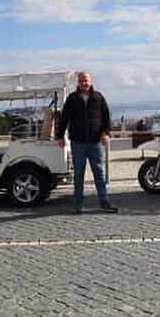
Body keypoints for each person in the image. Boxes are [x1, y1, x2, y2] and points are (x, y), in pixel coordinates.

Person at [57, 71, 118, 214]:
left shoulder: (98, 97)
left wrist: (106, 133)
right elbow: (64, 118)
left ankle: (104, 201)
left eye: (86, 80)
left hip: (95, 142)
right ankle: (78, 203)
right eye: (81, 81)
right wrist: (60, 136)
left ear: (90, 81)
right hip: (78, 143)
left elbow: (106, 116)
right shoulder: (72, 99)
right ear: (77, 83)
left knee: (99, 173)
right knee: (78, 174)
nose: (84, 83)